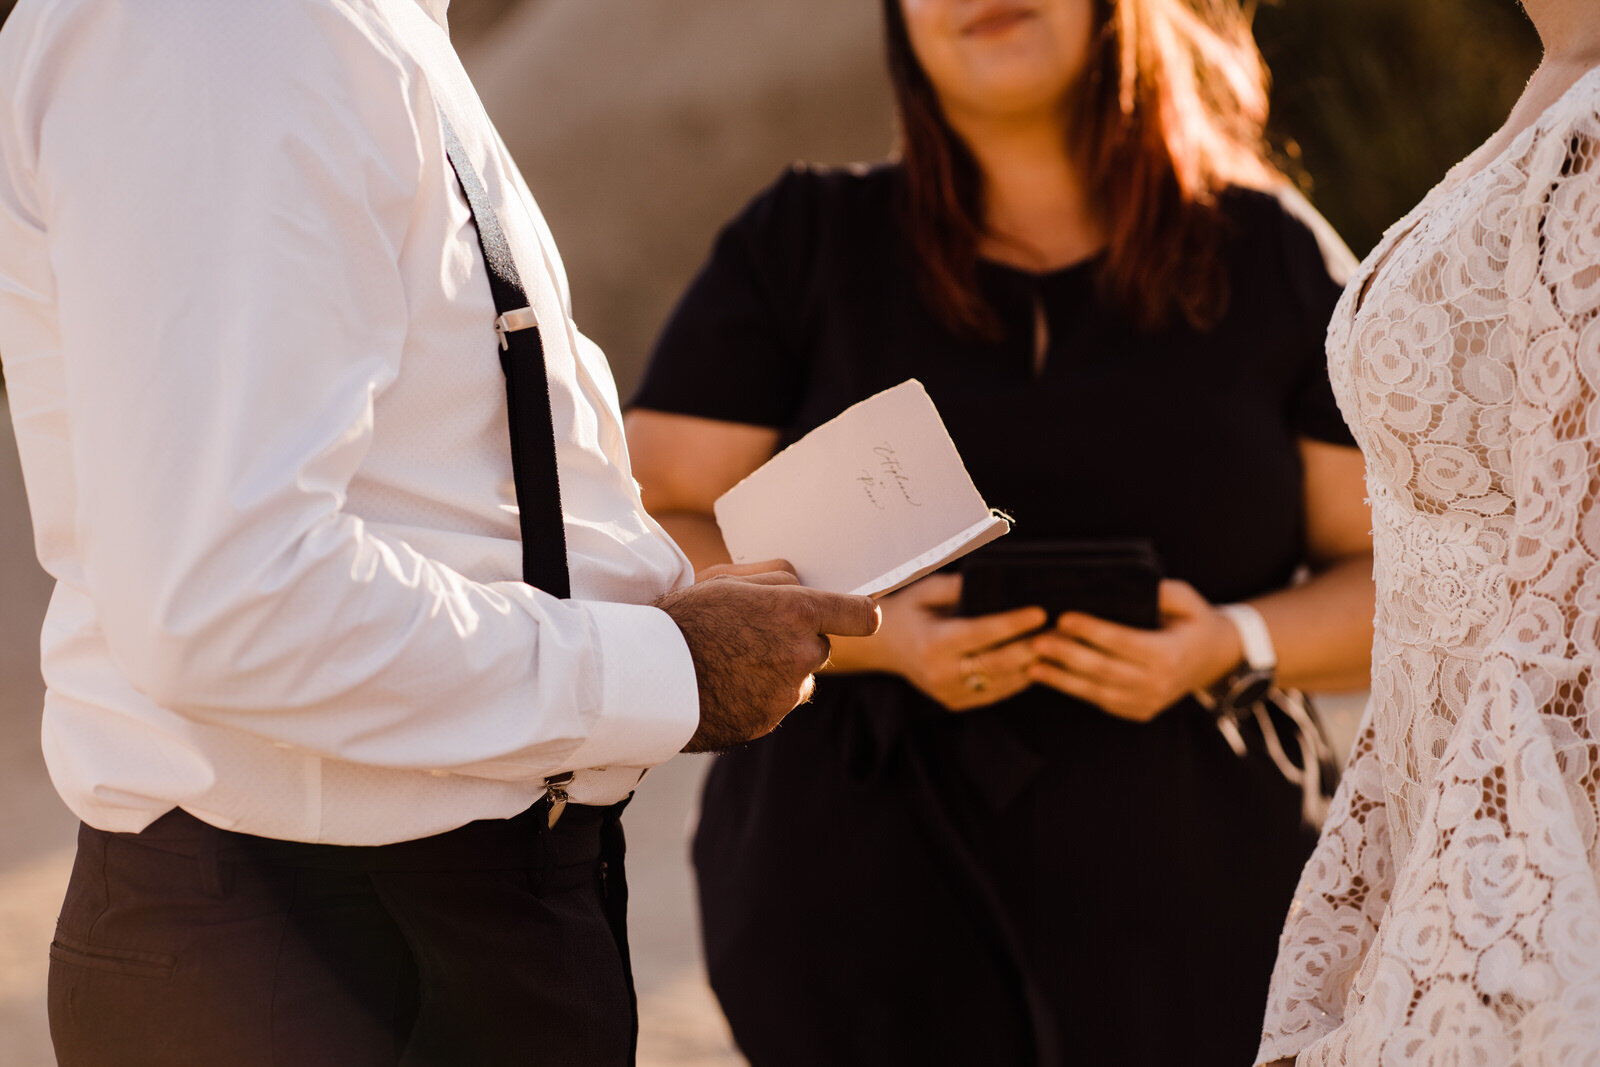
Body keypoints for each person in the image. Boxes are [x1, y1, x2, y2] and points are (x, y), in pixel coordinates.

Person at [0, 1, 880, 1064]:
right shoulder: (237, 26)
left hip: (389, 922)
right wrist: (663, 665)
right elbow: (228, 597)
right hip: (324, 950)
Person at [624, 1, 1375, 1064]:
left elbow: (1402, 573)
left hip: (1207, 905)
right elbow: (645, 518)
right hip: (860, 906)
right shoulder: (802, 242)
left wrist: (1232, 640)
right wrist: (873, 635)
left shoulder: (1271, 253)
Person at [1256, 1, 1600, 1062]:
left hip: (1531, 879)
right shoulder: (1565, 78)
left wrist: (1449, 971)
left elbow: (1573, 630)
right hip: (1444, 812)